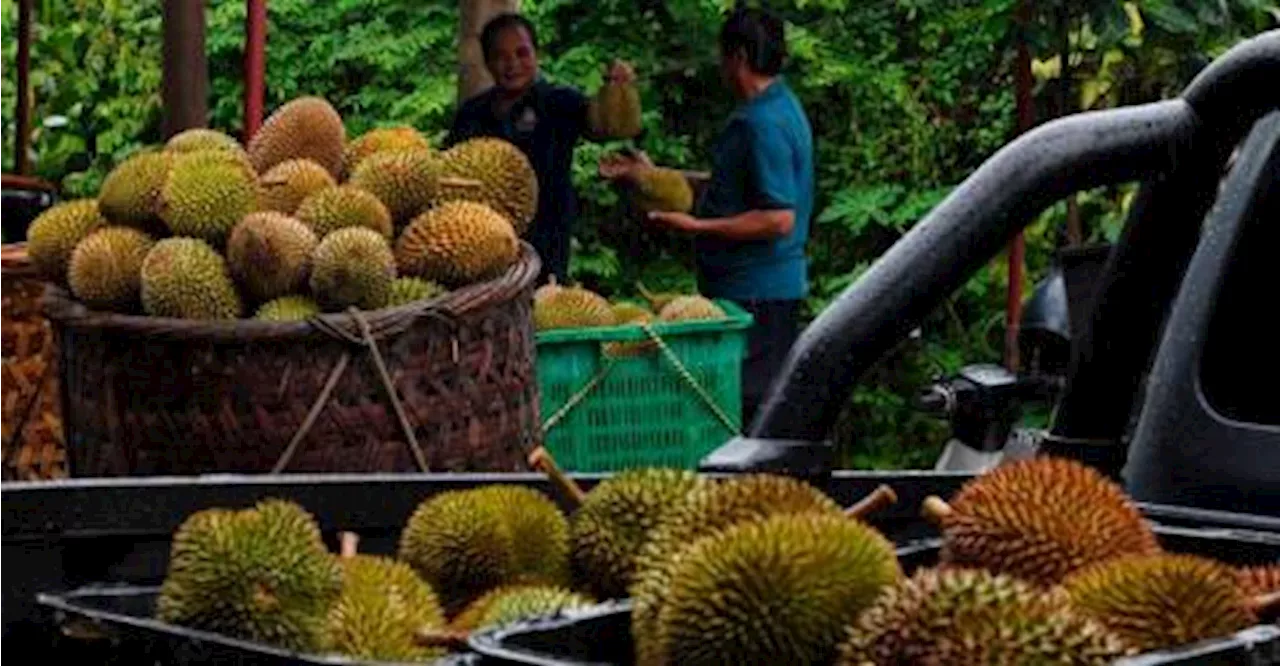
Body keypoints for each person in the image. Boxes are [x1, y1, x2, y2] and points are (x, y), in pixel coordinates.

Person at [599, 6, 815, 427]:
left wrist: (696, 226)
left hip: (756, 294)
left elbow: (778, 218)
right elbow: (731, 187)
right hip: (759, 291)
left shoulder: (761, 123)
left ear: (737, 56)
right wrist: (650, 174)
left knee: (746, 413)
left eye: (722, 56)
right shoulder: (782, 106)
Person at [444, 12, 638, 285]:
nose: (512, 64)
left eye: (522, 53)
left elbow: (604, 128)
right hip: (479, 241)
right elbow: (447, 169)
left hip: (547, 235)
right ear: (487, 62)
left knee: (540, 311)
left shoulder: (559, 103)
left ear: (537, 55)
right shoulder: (472, 113)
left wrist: (617, 88)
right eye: (500, 56)